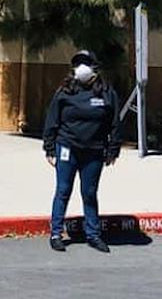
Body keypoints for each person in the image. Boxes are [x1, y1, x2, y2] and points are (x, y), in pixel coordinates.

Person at [43, 50, 121, 253]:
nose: (82, 67)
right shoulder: (65, 91)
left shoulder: (106, 92)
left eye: (86, 63)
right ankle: (56, 233)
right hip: (67, 148)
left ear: (95, 67)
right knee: (63, 190)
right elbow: (52, 120)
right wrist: (49, 148)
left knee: (89, 192)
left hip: (94, 151)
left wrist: (113, 149)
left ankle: (93, 235)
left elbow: (114, 123)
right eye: (78, 63)